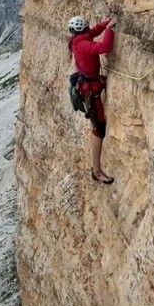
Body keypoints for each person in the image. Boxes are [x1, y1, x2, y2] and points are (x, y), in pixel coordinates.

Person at [68, 13, 118, 185]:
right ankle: (96, 171)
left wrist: (105, 22)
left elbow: (94, 31)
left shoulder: (77, 40)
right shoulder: (82, 45)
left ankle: (96, 169)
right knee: (99, 130)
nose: (89, 29)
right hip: (91, 90)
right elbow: (104, 47)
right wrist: (110, 29)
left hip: (88, 85)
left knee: (97, 126)